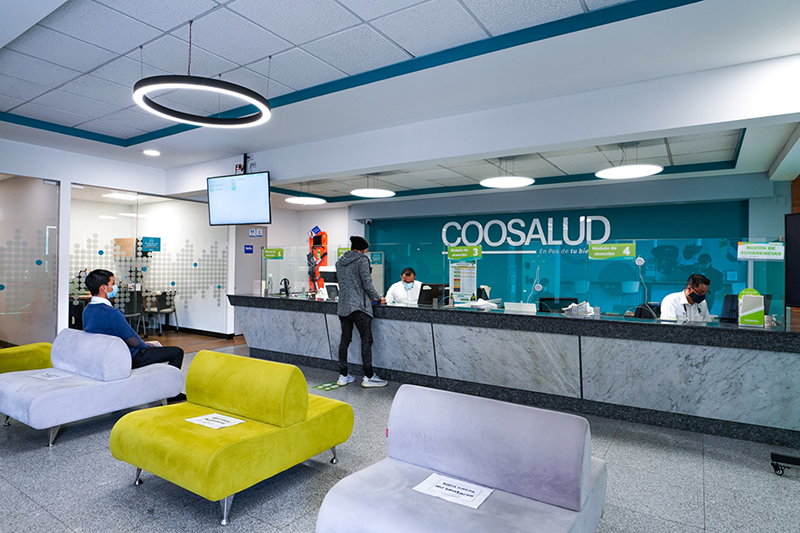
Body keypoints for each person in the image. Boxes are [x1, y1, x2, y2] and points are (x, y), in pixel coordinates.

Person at [82, 270, 186, 401]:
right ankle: (172, 394)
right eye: (112, 283)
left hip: (105, 356)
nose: (115, 287)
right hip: (130, 356)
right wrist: (146, 346)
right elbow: (132, 339)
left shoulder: (87, 310)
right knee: (177, 352)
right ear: (103, 288)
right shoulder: (112, 313)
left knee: (156, 348)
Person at [335, 236, 387, 388]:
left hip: (344, 306)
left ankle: (343, 375)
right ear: (363, 249)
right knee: (366, 340)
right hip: (359, 306)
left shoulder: (340, 261)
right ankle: (368, 376)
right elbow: (367, 283)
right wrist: (377, 298)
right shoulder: (362, 260)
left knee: (344, 340)